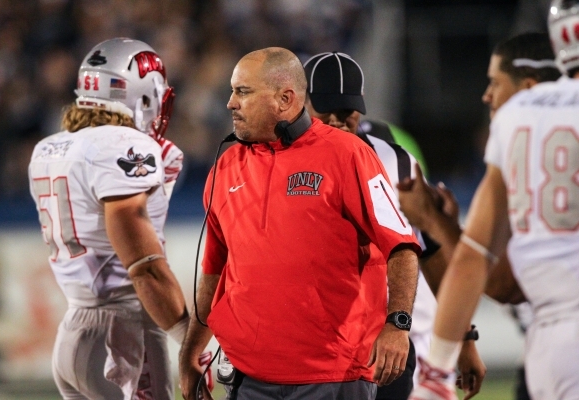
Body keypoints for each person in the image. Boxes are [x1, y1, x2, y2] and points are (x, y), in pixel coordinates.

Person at [179, 47, 421, 400]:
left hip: (334, 374)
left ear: (285, 99)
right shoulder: (225, 168)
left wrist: (398, 325)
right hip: (248, 377)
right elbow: (215, 271)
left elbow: (402, 247)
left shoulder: (348, 154)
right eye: (232, 91)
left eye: (243, 91)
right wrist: (190, 352)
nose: (230, 103)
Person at [407, 1, 579, 398]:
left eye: (494, 84)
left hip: (552, 344)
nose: (486, 97)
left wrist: (435, 373)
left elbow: (477, 258)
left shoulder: (521, 115)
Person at [302, 51, 486, 400]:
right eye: (326, 112)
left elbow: (431, 252)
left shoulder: (395, 160)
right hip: (306, 347)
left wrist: (464, 339)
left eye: (347, 112)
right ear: (301, 106)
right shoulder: (275, 159)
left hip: (378, 341)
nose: (338, 122)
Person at [28, 38, 189, 400]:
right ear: (142, 96)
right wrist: (191, 341)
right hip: (121, 334)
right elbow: (144, 267)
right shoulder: (122, 145)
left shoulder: (49, 147)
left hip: (74, 329)